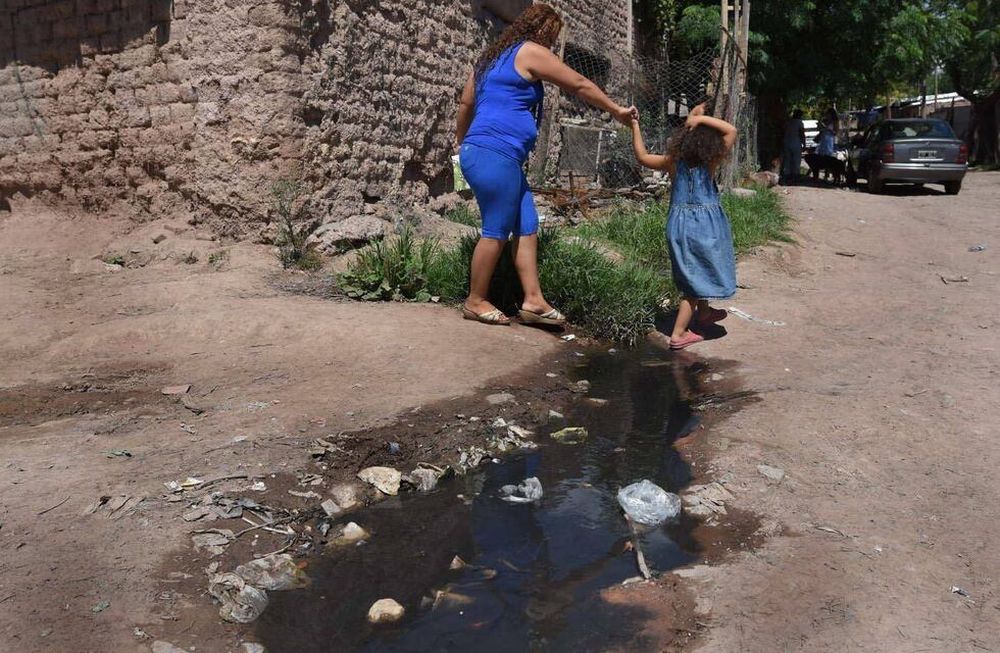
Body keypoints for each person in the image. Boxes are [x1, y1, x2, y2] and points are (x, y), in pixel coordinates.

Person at [454, 4, 637, 326]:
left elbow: (467, 103)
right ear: (543, 31)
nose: (551, 45)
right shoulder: (531, 51)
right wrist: (616, 110)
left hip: (487, 153)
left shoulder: (489, 59)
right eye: (552, 36)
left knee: (526, 225)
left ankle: (533, 300)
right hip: (495, 153)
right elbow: (578, 83)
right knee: (496, 230)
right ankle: (475, 300)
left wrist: (461, 143)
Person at [630, 103, 738, 350]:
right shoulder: (711, 161)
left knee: (693, 268)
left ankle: (704, 313)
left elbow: (642, 157)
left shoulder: (673, 162)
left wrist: (635, 125)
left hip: (678, 225)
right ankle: (679, 333)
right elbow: (731, 130)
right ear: (708, 144)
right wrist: (700, 120)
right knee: (694, 280)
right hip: (705, 226)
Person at [781, 109, 806, 183]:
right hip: (796, 143)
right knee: (796, 160)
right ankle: (795, 176)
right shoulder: (799, 123)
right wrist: (804, 144)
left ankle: (787, 175)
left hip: (787, 142)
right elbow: (802, 134)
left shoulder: (788, 122)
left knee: (787, 159)